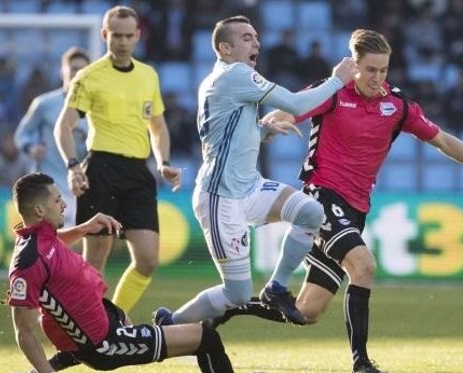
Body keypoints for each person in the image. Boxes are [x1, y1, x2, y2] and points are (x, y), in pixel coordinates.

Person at [210, 29, 463, 373]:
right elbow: (292, 108)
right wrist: (273, 122)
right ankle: (361, 365)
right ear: (352, 65)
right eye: (370, 70)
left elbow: (442, 139)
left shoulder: (397, 105)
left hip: (356, 209)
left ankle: (226, 307)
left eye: (384, 70)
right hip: (321, 198)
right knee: (364, 265)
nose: (378, 78)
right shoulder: (333, 92)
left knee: (308, 311)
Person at [152, 15, 356, 327]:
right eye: (246, 38)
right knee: (237, 294)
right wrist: (337, 80)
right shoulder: (236, 75)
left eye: (256, 38)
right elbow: (296, 105)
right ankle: (171, 324)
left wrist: (261, 131)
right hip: (221, 198)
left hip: (249, 187)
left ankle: (275, 288)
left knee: (311, 213)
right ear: (225, 48)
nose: (256, 43)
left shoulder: (224, 79)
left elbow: (223, 133)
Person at [6, 173, 272, 373]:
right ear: (40, 209)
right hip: (106, 344)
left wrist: (84, 228)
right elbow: (24, 332)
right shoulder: (27, 262)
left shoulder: (39, 238)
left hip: (102, 321)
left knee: (83, 344)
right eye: (57, 200)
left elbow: (49, 248)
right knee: (206, 338)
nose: (63, 204)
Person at [54, 5, 182, 314]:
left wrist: (163, 160)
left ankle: (115, 319)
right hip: (102, 169)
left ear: (138, 36)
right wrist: (73, 166)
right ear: (104, 35)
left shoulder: (148, 75)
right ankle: (87, 327)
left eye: (128, 36)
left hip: (138, 171)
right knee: (96, 259)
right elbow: (64, 126)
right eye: (116, 36)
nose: (122, 42)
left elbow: (158, 125)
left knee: (148, 259)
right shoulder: (88, 77)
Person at [15, 47, 90, 227]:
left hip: (80, 184)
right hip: (47, 183)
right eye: (73, 68)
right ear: (62, 71)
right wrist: (30, 147)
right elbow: (21, 134)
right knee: (46, 239)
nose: (77, 73)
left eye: (82, 70)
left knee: (74, 244)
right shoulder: (45, 104)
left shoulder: (95, 108)